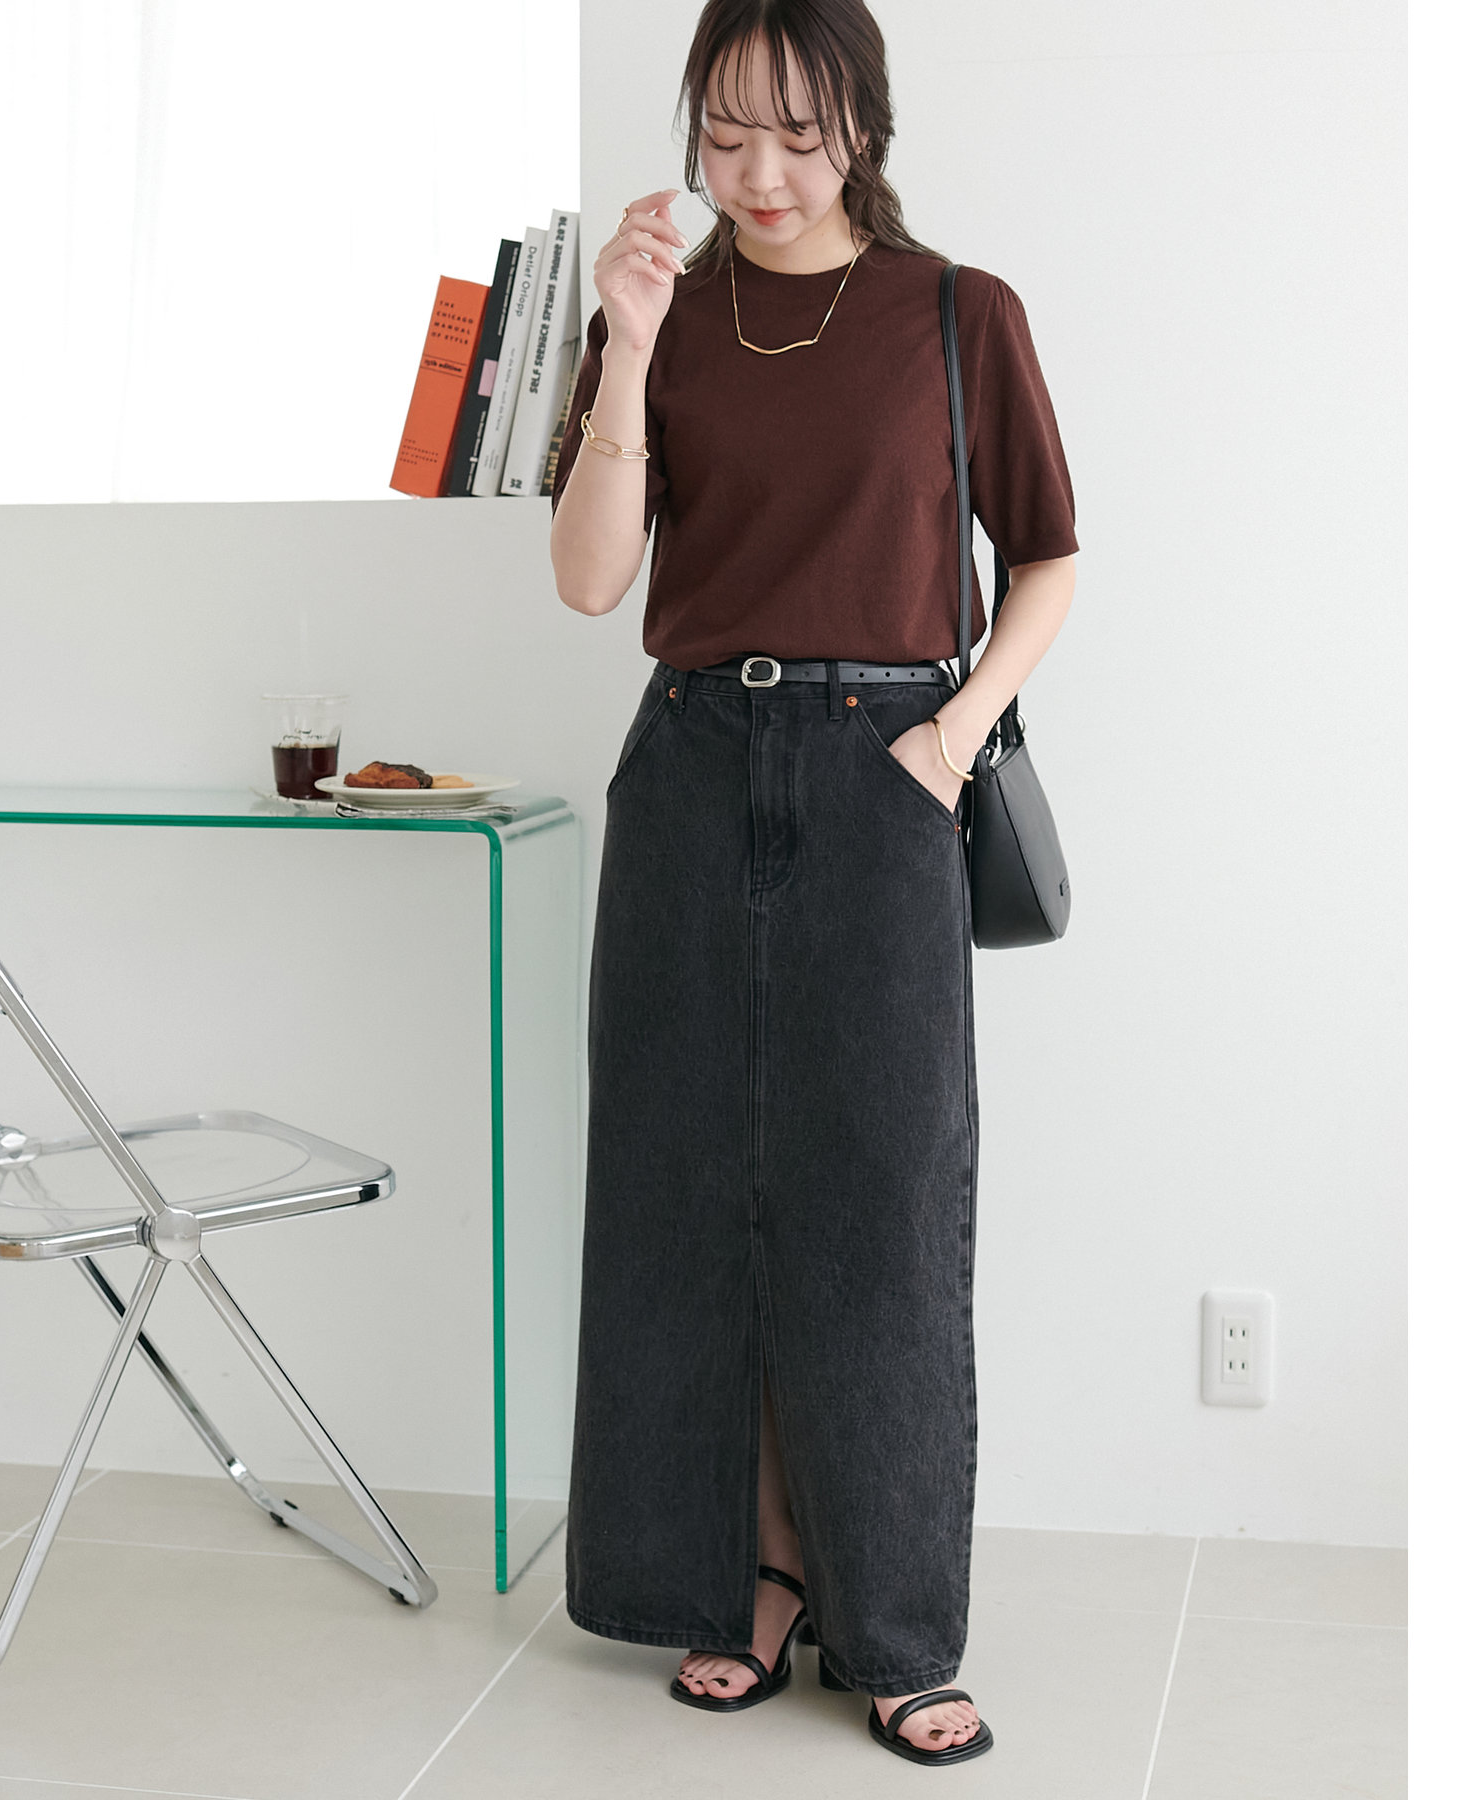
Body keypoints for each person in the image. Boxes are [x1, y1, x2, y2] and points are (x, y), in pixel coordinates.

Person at [547, 0, 1077, 1768]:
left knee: (880, 1202)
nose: (757, 172)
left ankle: (898, 1626)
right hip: (693, 762)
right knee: (689, 1191)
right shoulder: (660, 313)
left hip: (885, 772)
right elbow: (591, 579)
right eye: (724, 132)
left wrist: (950, 740)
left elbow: (1050, 556)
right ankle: (748, 1577)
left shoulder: (957, 313)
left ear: (863, 125)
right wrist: (627, 346)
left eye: (795, 131)